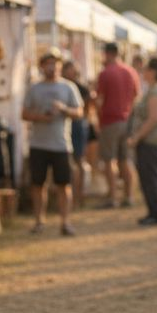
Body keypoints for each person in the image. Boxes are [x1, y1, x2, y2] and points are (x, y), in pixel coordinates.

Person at [22, 53, 85, 235]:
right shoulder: (34, 88)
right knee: (37, 184)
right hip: (38, 144)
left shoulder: (68, 87)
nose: (52, 68)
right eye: (48, 64)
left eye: (55, 64)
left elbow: (80, 112)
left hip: (61, 144)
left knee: (64, 184)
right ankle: (39, 221)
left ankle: (65, 222)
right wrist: (41, 117)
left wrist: (64, 109)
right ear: (42, 66)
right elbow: (24, 114)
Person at [127, 57, 157, 225]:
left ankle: (156, 213)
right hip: (152, 139)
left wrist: (137, 136)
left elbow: (153, 118)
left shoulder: (156, 91)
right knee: (151, 178)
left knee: (151, 178)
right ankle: (155, 211)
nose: (143, 72)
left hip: (151, 140)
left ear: (153, 71)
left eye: (146, 69)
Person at [95, 42, 140, 208]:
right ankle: (129, 196)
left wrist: (98, 119)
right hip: (127, 120)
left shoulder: (105, 73)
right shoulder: (130, 72)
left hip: (110, 120)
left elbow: (99, 101)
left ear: (108, 53)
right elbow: (136, 97)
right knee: (125, 160)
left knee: (109, 161)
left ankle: (113, 197)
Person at [62, 61, 94, 208]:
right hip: (72, 125)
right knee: (74, 162)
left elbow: (87, 104)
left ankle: (78, 196)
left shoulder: (78, 87)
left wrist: (83, 117)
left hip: (77, 125)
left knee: (78, 161)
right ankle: (74, 196)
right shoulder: (65, 86)